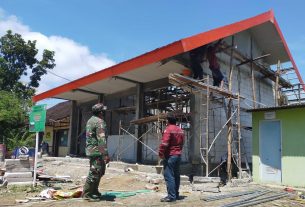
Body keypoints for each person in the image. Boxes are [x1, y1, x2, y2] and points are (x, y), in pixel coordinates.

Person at [82, 103, 110, 201]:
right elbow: (101, 139)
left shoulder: (90, 120)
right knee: (95, 172)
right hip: (97, 151)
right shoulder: (99, 122)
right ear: (101, 112)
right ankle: (87, 194)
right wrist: (105, 154)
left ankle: (94, 191)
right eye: (103, 111)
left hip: (91, 150)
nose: (104, 113)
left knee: (98, 172)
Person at [159, 113, 185, 202]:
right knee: (176, 175)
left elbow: (164, 143)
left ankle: (171, 196)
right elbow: (182, 143)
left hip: (170, 155)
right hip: (178, 155)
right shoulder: (181, 130)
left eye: (166, 120)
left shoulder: (168, 129)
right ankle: (176, 194)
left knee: (168, 175)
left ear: (168, 121)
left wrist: (161, 153)